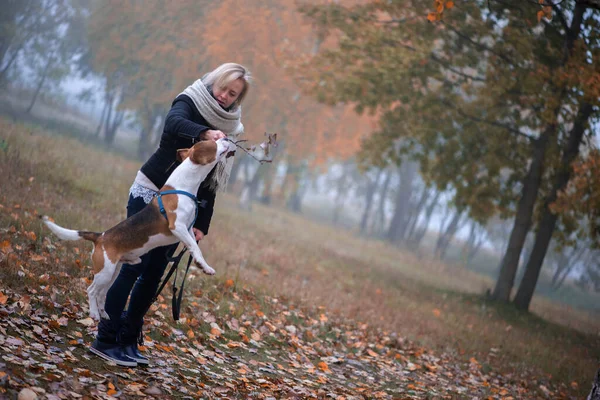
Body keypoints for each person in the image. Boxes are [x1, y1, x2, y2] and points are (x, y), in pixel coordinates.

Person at [90, 63, 251, 366]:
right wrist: (205, 132)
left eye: (233, 94)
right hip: (151, 192)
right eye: (223, 89)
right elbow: (174, 124)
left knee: (153, 275)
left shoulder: (230, 128)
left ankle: (127, 338)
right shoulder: (189, 100)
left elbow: (211, 181)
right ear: (214, 82)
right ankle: (105, 338)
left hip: (185, 206)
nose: (225, 97)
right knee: (133, 266)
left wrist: (202, 224)